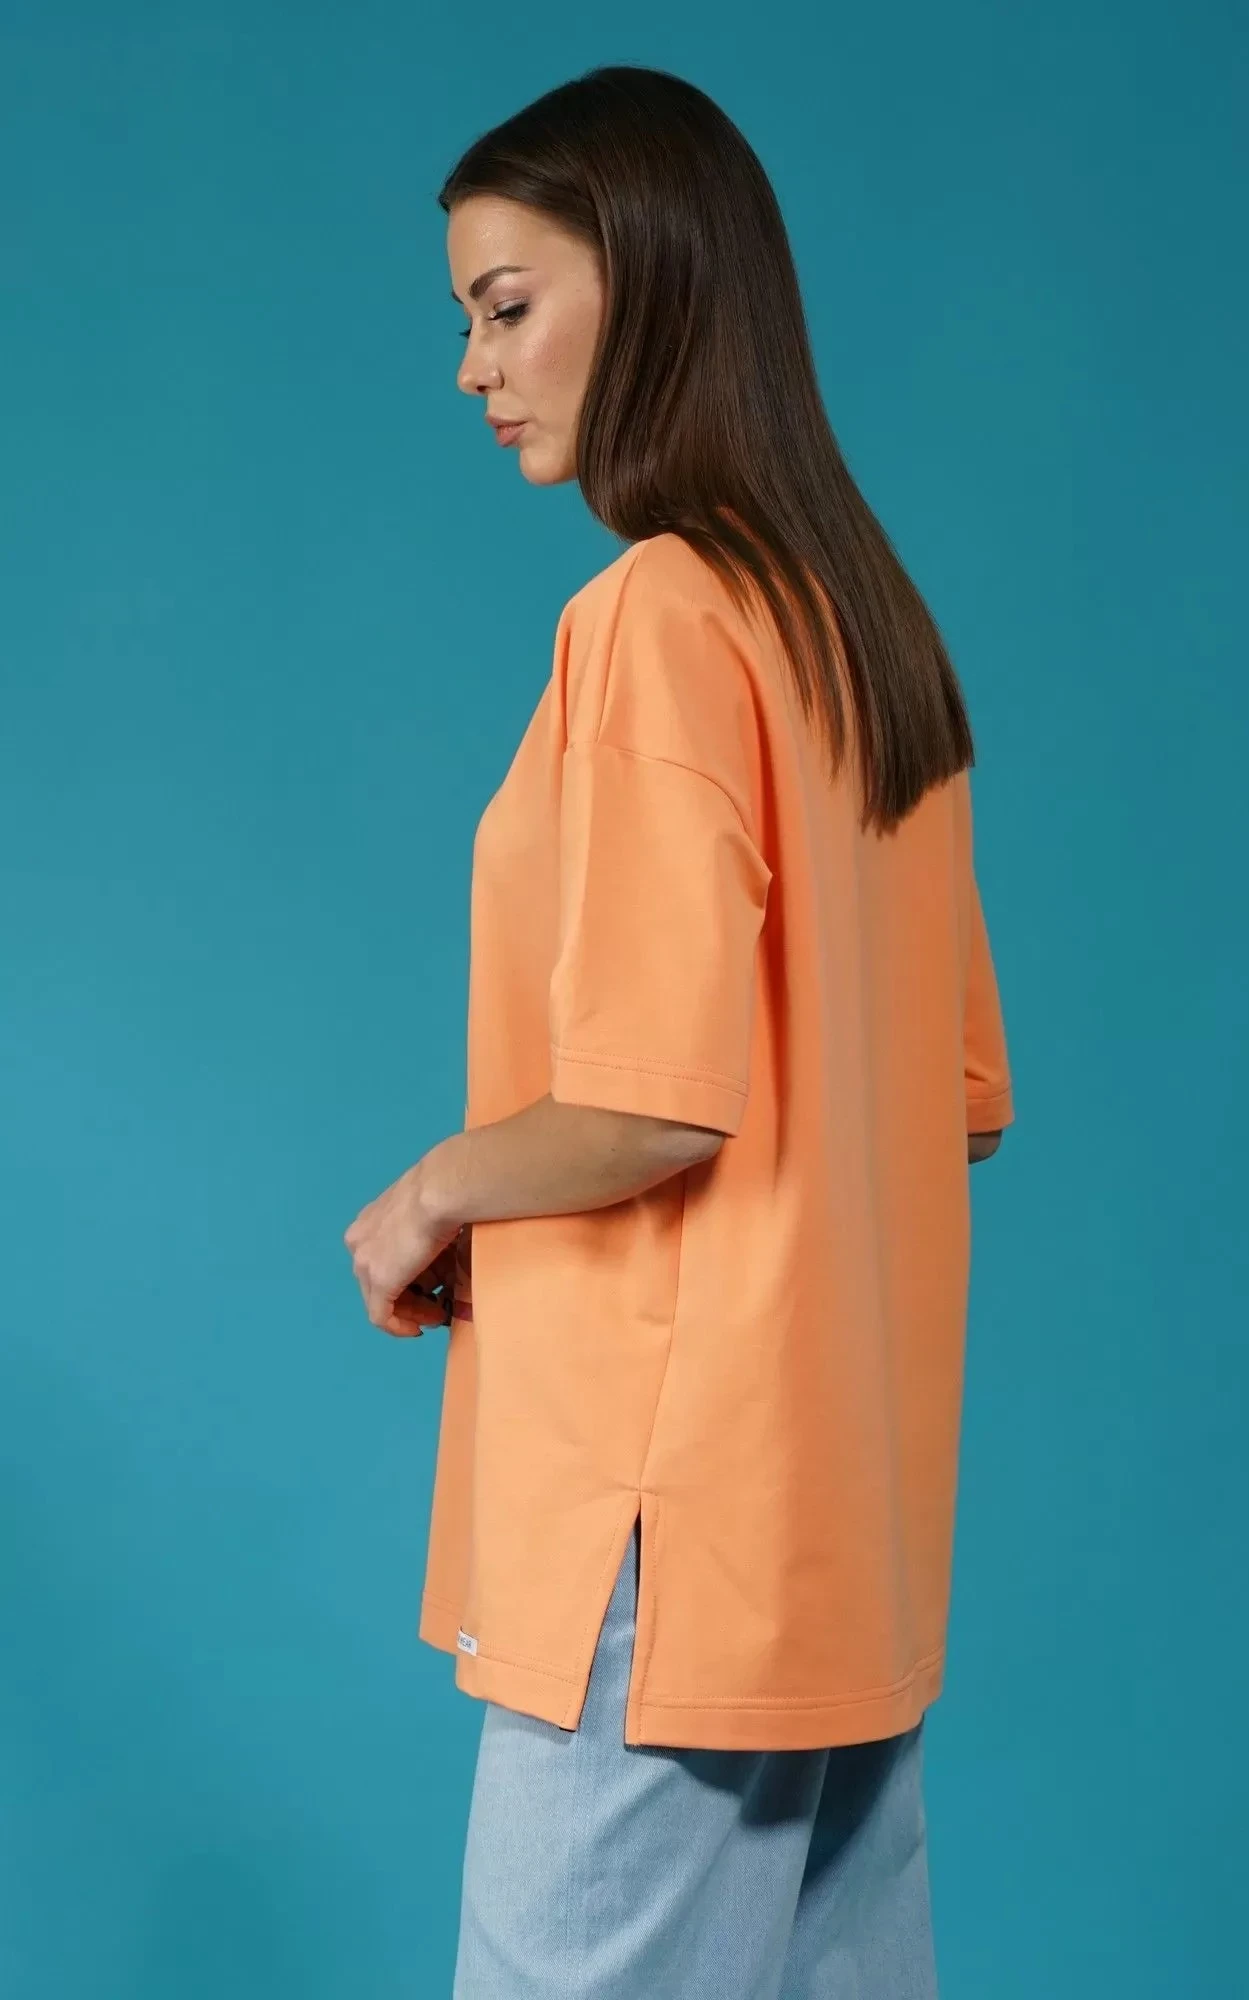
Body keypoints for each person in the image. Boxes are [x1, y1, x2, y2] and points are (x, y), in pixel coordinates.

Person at [342, 62, 1014, 2000]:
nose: (475, 367)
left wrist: (433, 1196)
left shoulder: (657, 617)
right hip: (836, 1541)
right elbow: (949, 1101)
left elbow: (656, 1105)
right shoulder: (867, 631)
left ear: (648, 277)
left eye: (507, 305)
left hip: (667, 1539)